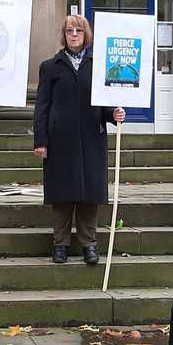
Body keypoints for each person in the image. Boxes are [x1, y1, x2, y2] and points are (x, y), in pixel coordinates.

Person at [33, 15, 126, 265]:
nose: (74, 35)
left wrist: (113, 113)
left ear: (87, 35)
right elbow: (42, 106)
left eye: (79, 31)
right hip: (60, 138)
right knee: (62, 193)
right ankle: (60, 245)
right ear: (63, 35)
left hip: (91, 137)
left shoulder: (99, 65)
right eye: (69, 31)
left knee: (89, 193)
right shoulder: (50, 66)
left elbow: (104, 102)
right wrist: (41, 140)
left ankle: (89, 244)